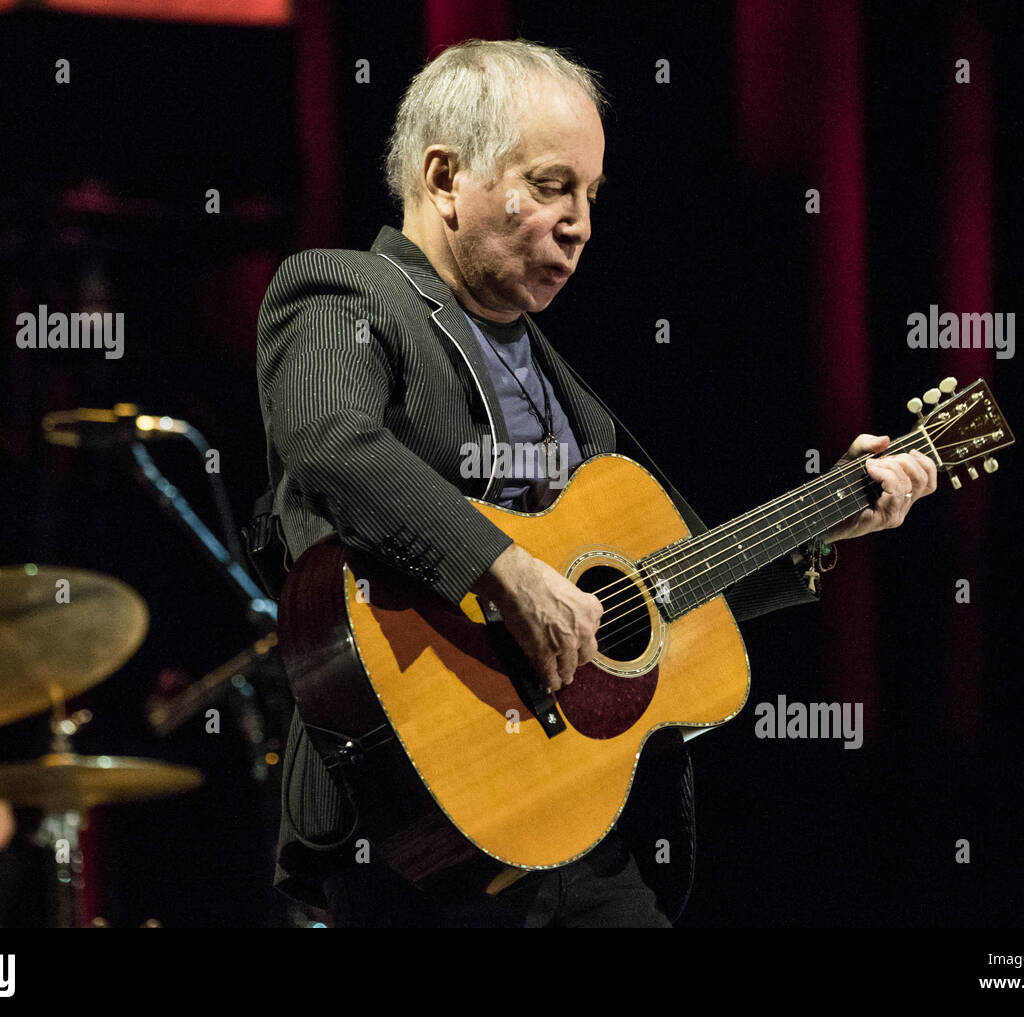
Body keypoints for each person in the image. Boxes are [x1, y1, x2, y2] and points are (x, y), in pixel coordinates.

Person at [256, 38, 936, 927]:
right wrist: (506, 569)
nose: (580, 222)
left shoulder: (564, 387)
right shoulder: (343, 294)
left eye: (589, 195)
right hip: (416, 825)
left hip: (580, 823)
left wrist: (830, 517)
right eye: (550, 186)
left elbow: (675, 579)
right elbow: (332, 441)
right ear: (445, 176)